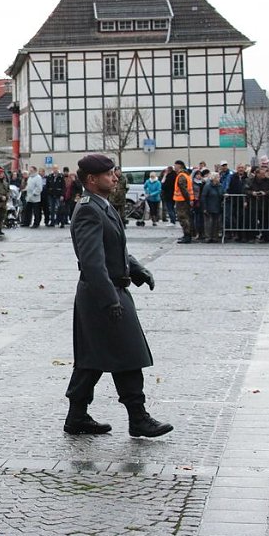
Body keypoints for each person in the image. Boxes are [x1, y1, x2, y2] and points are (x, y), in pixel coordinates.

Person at [64, 153, 172, 438]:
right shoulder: (88, 209)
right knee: (126, 355)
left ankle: (77, 417)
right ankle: (138, 418)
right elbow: (92, 262)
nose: (115, 178)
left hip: (109, 289)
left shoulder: (102, 206)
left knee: (95, 357)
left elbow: (116, 248)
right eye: (110, 174)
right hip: (103, 293)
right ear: (91, 179)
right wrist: (109, 299)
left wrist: (136, 269)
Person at [172, 160, 194, 243]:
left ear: (179, 166)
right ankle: (186, 235)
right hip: (184, 200)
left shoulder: (181, 176)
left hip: (182, 201)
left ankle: (187, 236)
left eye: (175, 166)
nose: (174, 168)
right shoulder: (185, 175)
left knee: (183, 218)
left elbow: (183, 189)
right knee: (185, 218)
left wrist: (188, 200)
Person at [200, 173, 224, 243]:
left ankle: (214, 237)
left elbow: (222, 193)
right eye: (218, 177)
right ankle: (208, 237)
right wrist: (204, 208)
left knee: (216, 223)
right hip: (208, 207)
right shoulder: (207, 186)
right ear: (213, 178)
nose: (219, 179)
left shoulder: (220, 186)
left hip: (217, 207)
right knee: (208, 223)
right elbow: (203, 197)